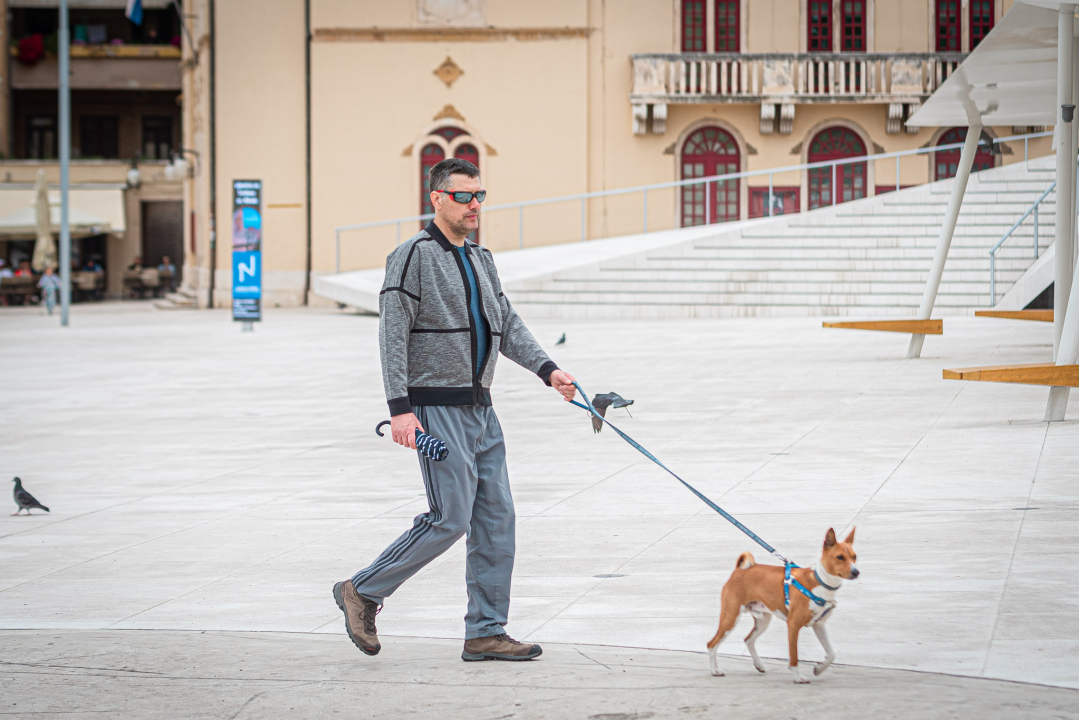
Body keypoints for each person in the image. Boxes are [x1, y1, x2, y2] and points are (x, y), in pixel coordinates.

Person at [333, 158, 578, 663]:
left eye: (479, 196)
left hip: (481, 408)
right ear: (438, 199)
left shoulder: (482, 259)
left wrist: (547, 369)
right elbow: (392, 334)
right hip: (435, 408)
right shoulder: (412, 256)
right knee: (450, 518)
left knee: (497, 520)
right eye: (464, 196)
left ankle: (486, 631)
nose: (474, 206)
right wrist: (400, 410)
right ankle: (363, 590)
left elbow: (506, 323)